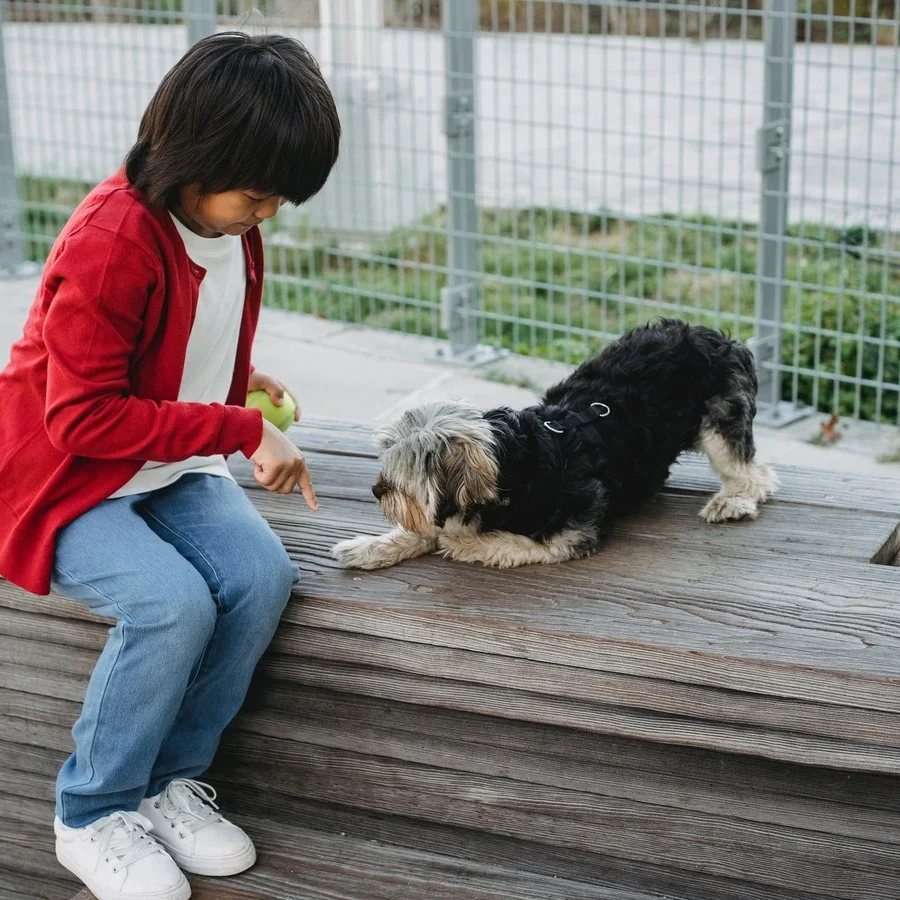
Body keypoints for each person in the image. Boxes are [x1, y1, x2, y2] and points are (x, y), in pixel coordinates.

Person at [0, 31, 340, 900]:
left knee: (262, 575)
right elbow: (78, 416)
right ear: (194, 160)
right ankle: (92, 810)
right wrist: (237, 425)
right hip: (66, 478)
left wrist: (238, 379)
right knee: (168, 602)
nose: (266, 215)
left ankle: (166, 784)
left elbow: (186, 328)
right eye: (257, 195)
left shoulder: (226, 226)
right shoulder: (112, 240)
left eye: (278, 202)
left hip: (159, 466)